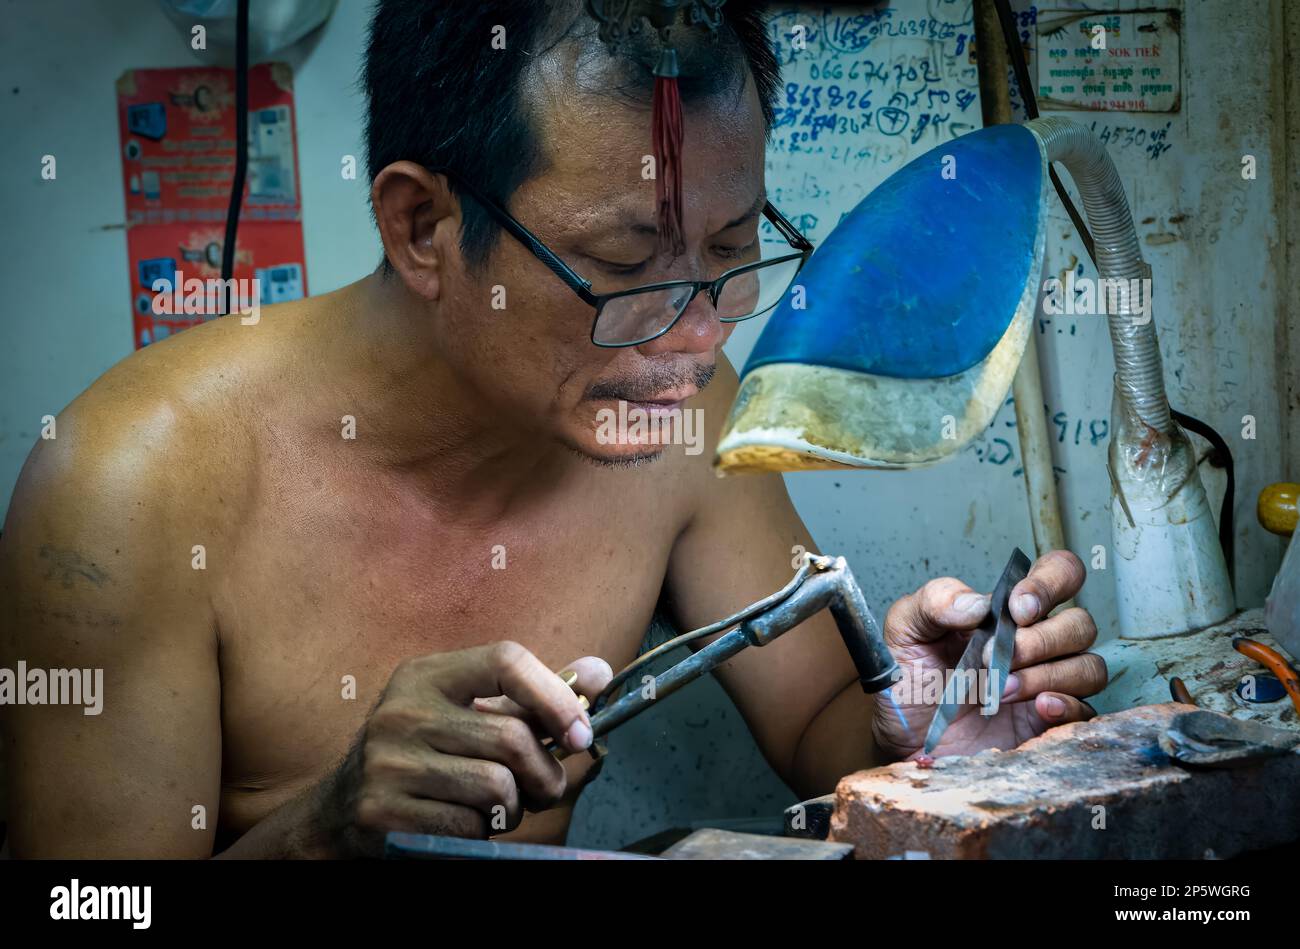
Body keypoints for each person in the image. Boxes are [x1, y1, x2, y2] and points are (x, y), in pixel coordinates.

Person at [0, 0, 1105, 858]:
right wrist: (323, 832)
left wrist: (925, 715)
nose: (695, 335)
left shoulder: (675, 405)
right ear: (422, 225)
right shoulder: (131, 483)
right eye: (625, 265)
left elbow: (820, 710)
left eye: (729, 249)